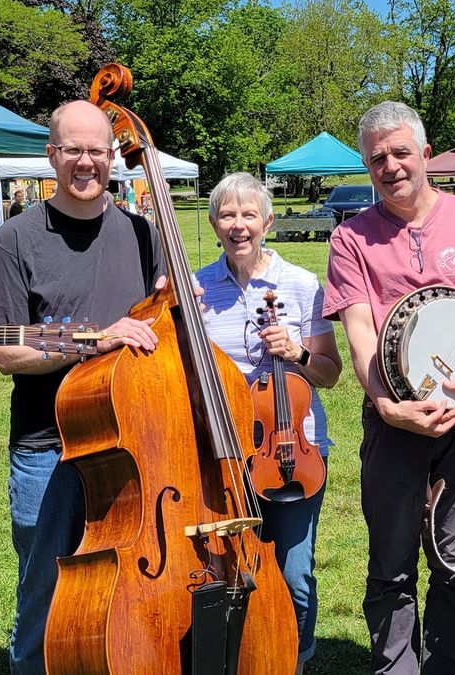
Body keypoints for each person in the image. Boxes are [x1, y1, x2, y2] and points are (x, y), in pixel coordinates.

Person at [324, 101, 455, 673]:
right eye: (377, 158)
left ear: (423, 152)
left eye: (399, 152)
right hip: (393, 423)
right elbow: (360, 331)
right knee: (390, 569)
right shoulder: (352, 238)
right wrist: (388, 407)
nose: (390, 166)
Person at [0, 99, 164, 675]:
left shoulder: (143, 234)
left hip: (135, 440)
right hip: (49, 446)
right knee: (46, 588)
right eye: (73, 151)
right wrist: (96, 340)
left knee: (129, 586)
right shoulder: (16, 238)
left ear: (114, 155)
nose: (86, 162)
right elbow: (8, 354)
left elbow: (163, 329)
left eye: (97, 150)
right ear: (51, 155)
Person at [194, 172, 343, 675]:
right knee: (223, 565)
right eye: (228, 215)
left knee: (294, 572)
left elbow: (330, 373)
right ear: (215, 222)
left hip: (292, 450)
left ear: (268, 221)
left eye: (249, 214)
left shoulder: (300, 285)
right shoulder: (198, 288)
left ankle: (294, 660)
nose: (239, 226)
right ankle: (237, 657)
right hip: (224, 449)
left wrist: (297, 351)